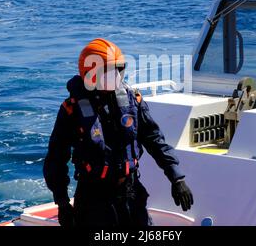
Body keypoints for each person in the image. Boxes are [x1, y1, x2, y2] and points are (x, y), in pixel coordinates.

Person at [44, 38, 193, 227]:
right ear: (90, 74)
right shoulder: (71, 110)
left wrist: (176, 177)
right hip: (93, 198)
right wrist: (62, 202)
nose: (116, 76)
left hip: (130, 192)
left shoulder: (133, 101)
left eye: (118, 70)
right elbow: (56, 158)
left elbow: (155, 140)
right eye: (109, 71)